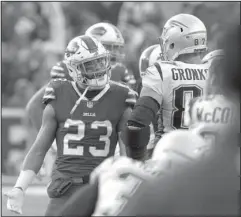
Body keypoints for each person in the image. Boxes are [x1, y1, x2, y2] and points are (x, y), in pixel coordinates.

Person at [4, 35, 135, 216]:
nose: (99, 69)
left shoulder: (120, 95)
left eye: (100, 62)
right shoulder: (59, 93)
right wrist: (19, 187)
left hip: (103, 186)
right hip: (65, 186)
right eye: (90, 64)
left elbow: (127, 152)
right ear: (73, 68)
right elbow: (39, 149)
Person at [122, 14, 210, 160]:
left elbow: (137, 125)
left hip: (168, 157)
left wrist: (138, 161)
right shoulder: (216, 72)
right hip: (207, 160)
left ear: (174, 43)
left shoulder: (161, 71)